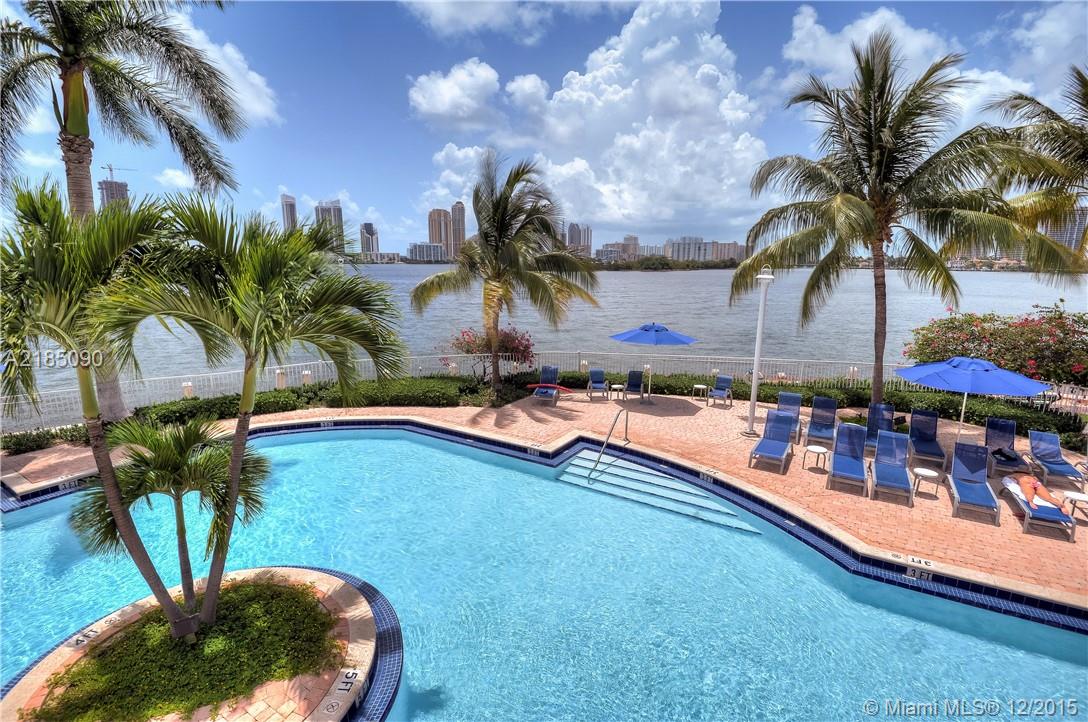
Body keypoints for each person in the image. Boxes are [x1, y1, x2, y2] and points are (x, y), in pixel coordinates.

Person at [1006, 472, 1072, 515]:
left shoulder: (1017, 475)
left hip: (1025, 482)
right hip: (1035, 482)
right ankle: (1062, 506)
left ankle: (1031, 501)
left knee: (1028, 493)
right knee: (1048, 497)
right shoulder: (1032, 476)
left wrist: (1014, 480)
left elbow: (1008, 477)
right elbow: (1036, 479)